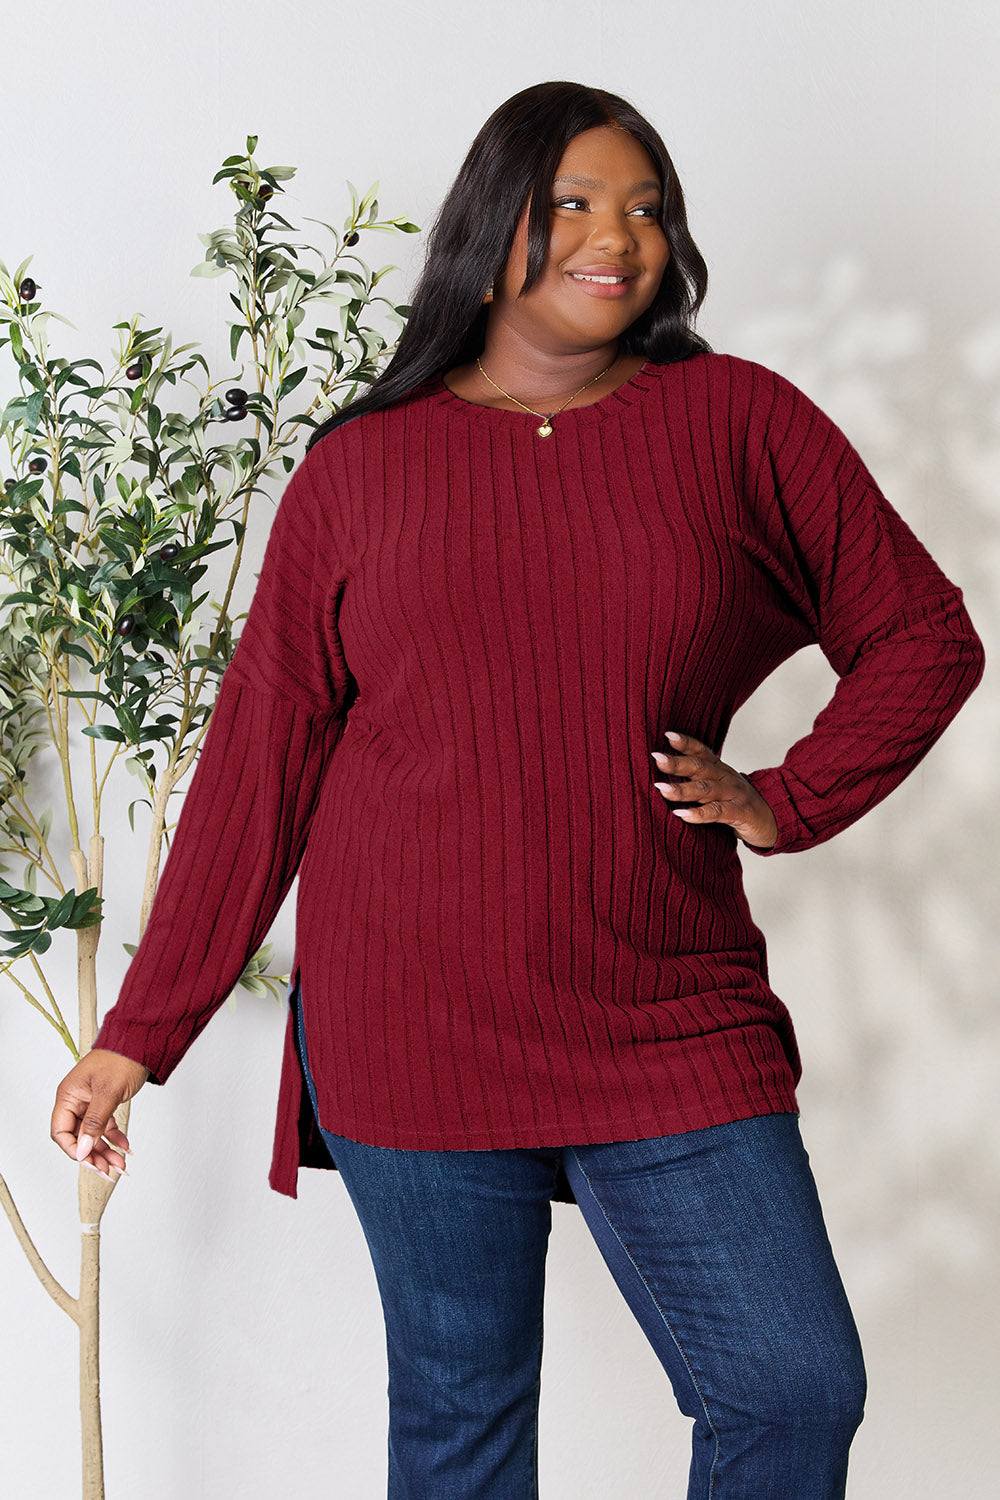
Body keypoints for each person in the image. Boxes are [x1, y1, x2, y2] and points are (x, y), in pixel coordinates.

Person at [50, 80, 985, 1499]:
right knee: (462, 1423)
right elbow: (263, 760)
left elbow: (923, 634)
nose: (619, 238)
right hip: (411, 1017)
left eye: (647, 209)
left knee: (793, 1388)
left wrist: (788, 796)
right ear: (493, 229)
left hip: (664, 1004)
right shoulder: (363, 472)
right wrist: (141, 1034)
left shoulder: (734, 422)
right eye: (573, 205)